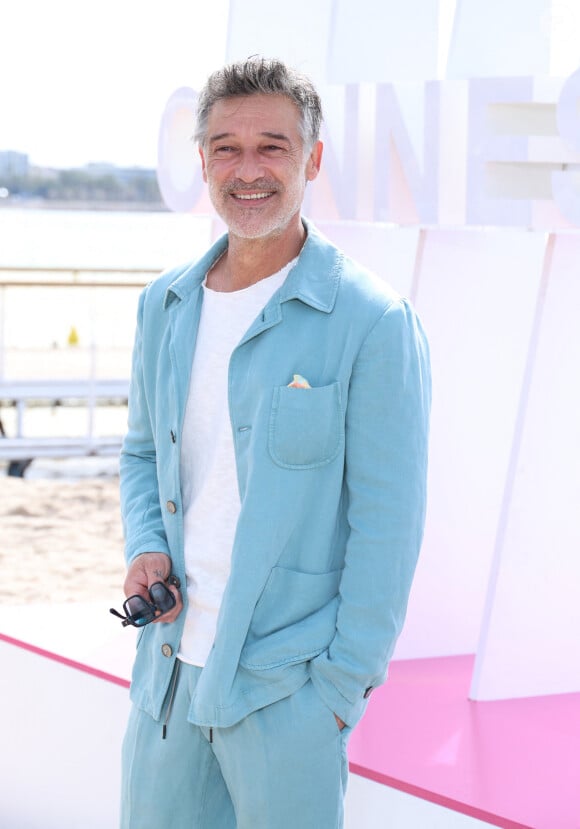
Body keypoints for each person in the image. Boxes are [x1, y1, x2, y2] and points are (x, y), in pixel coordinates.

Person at [117, 56, 431, 829]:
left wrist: (339, 691)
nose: (247, 169)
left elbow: (389, 524)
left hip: (287, 692)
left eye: (273, 146)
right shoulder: (165, 304)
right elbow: (138, 457)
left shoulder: (373, 321)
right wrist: (146, 541)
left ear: (312, 158)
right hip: (165, 675)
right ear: (201, 161)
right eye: (226, 146)